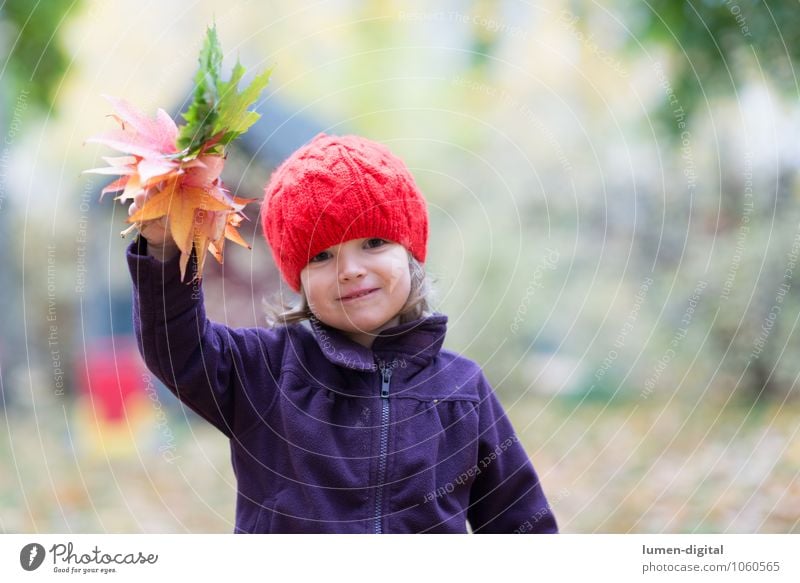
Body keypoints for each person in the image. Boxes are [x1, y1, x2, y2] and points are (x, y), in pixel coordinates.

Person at [126, 132, 558, 534]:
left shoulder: (462, 390)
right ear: (297, 278)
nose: (350, 271)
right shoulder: (263, 372)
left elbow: (521, 525)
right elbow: (175, 348)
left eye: (373, 244)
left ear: (410, 253)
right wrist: (166, 250)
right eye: (322, 255)